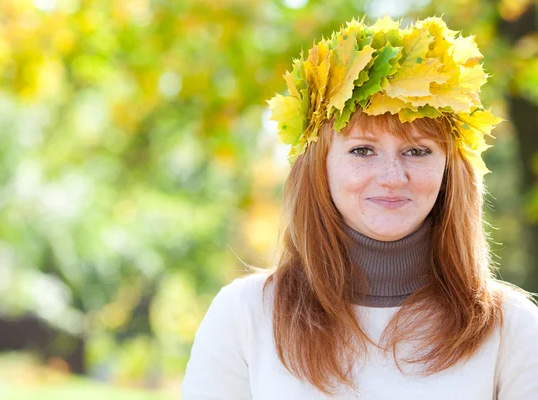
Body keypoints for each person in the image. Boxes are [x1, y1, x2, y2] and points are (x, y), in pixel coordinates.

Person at [181, 16, 538, 399]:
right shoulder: (244, 315)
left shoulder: (511, 327)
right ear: (321, 167)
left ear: (449, 168)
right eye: (362, 150)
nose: (392, 176)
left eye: (417, 151)